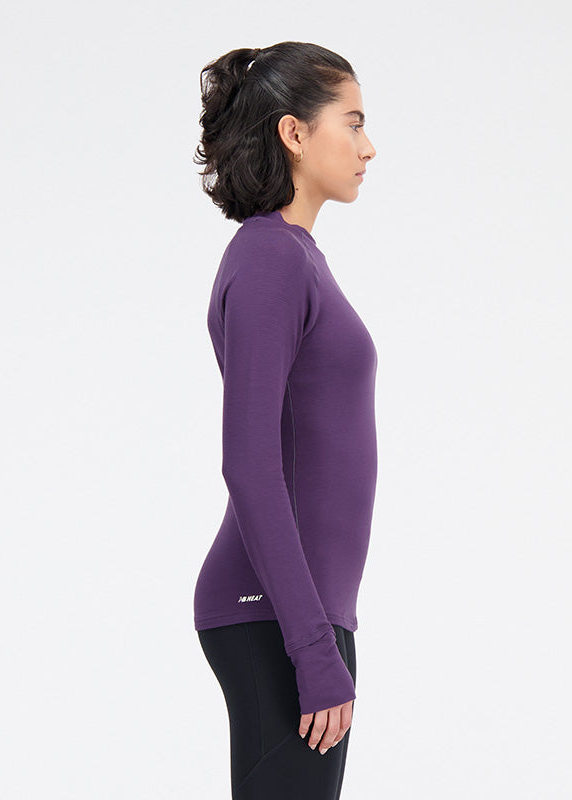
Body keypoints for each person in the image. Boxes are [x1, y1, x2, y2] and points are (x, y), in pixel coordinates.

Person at [191, 41, 378, 800]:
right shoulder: (271, 258)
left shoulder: (294, 255)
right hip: (276, 614)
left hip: (297, 614)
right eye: (353, 122)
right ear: (295, 133)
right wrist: (311, 645)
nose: (368, 146)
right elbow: (248, 462)